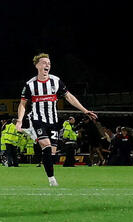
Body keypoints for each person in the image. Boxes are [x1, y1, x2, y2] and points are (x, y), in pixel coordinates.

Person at [15, 53, 97, 187]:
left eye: (49, 63)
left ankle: (36, 142)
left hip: (53, 121)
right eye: (44, 62)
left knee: (52, 152)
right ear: (37, 65)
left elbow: (69, 97)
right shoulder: (30, 84)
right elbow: (22, 104)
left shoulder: (56, 81)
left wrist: (84, 110)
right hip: (38, 119)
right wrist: (19, 120)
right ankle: (52, 180)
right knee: (46, 146)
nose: (47, 65)